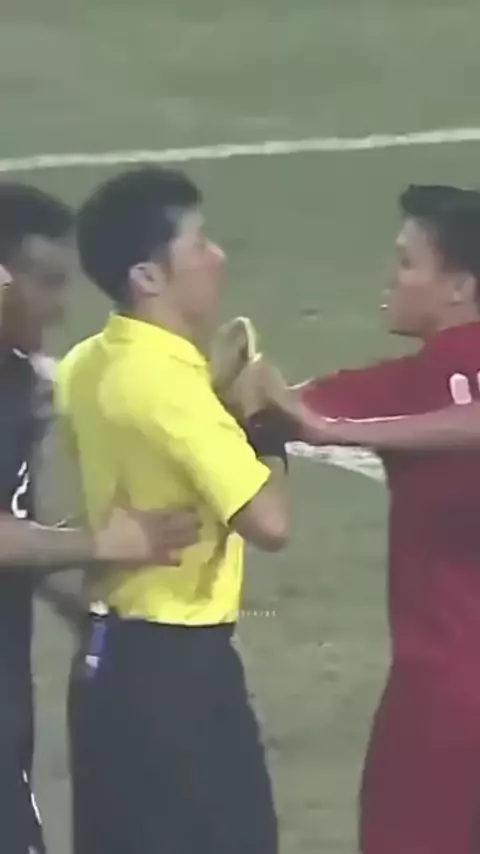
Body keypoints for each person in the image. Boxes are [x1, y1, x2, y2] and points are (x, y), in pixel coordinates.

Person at [236, 184, 480, 854]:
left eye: (407, 262)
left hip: (445, 696)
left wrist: (319, 423)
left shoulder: (402, 387)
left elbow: (282, 411)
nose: (389, 277)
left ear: (461, 286)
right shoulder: (399, 387)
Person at [56, 166, 290, 854]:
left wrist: (213, 397)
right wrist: (263, 425)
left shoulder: (85, 363)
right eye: (199, 244)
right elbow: (270, 523)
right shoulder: (169, 386)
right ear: (148, 276)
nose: (218, 257)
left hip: (105, 668)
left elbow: (148, 441)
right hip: (180, 678)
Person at [0, 182, 200, 854]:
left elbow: (14, 520)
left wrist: (88, 605)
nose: (60, 305)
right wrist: (104, 543)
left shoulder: (18, 382)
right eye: (45, 282)